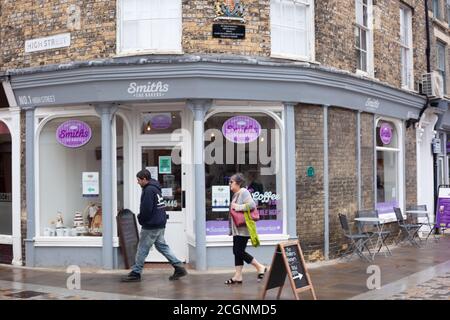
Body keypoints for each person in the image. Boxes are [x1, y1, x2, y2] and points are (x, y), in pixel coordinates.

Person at [122, 169, 187, 282]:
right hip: (159, 223)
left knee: (142, 248)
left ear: (144, 179)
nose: (137, 182)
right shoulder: (155, 188)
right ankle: (178, 267)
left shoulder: (148, 190)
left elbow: (146, 209)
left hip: (151, 225)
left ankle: (136, 272)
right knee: (162, 246)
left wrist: (140, 219)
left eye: (138, 180)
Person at [225, 173, 266, 285]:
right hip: (237, 230)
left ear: (238, 183)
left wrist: (237, 207)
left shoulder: (243, 192)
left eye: (231, 182)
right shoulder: (236, 194)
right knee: (237, 252)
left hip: (243, 229)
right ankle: (238, 276)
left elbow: (252, 205)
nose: (229, 184)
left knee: (238, 251)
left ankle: (259, 266)